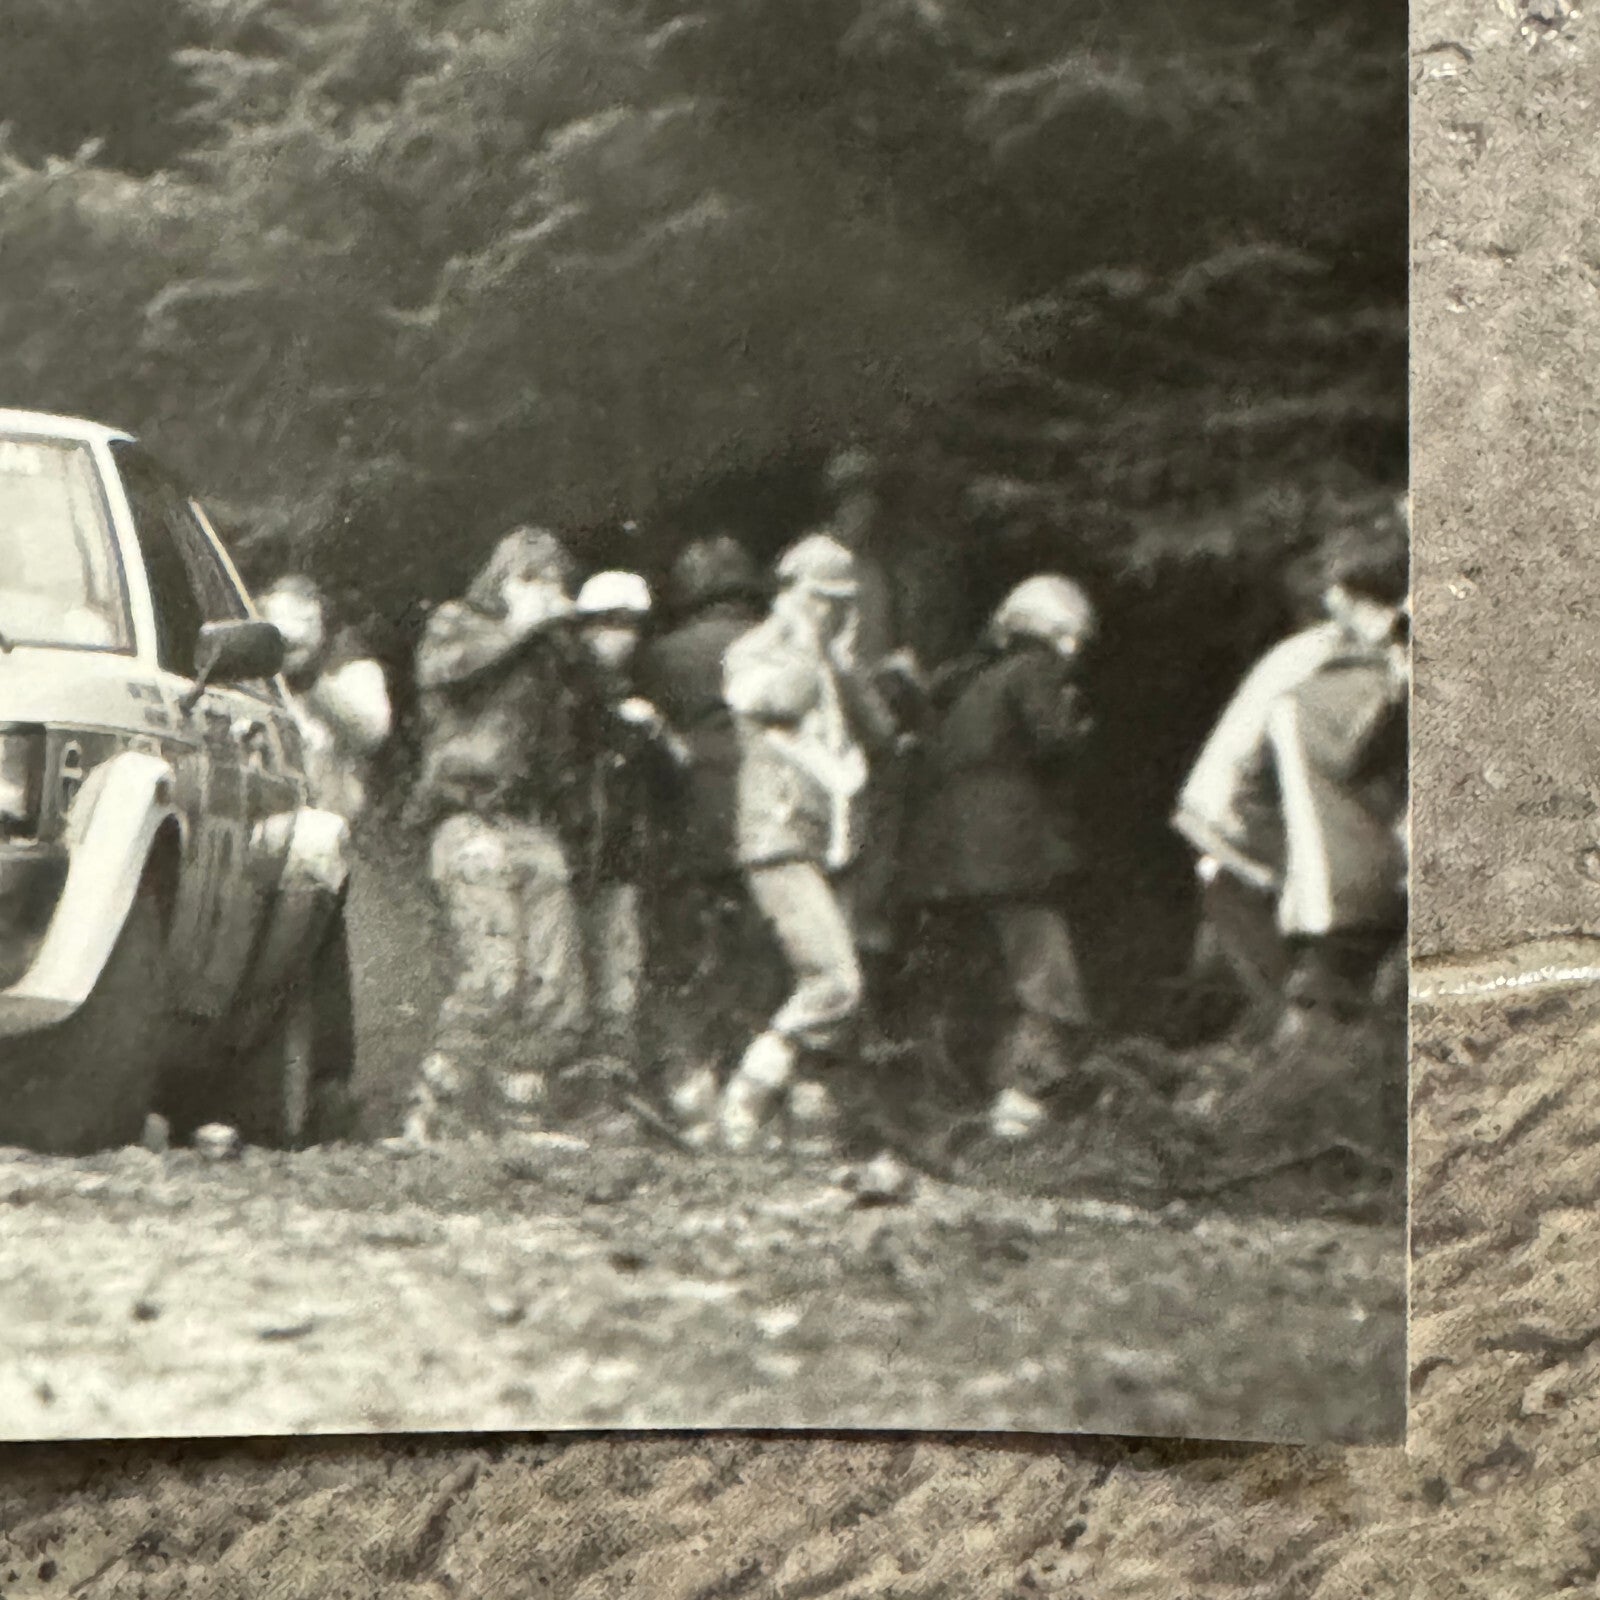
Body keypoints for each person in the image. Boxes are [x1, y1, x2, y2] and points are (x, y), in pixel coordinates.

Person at [394, 527, 589, 1146]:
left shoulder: (548, 654)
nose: (546, 593)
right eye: (531, 579)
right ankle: (431, 1111)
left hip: (533, 824)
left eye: (555, 582)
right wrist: (527, 625)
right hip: (467, 817)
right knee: (494, 973)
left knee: (553, 984)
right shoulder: (458, 625)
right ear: (503, 579)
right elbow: (452, 673)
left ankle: (521, 1119)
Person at [711, 532, 898, 1153]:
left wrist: (845, 666)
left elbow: (881, 732)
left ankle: (801, 1117)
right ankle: (747, 1094)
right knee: (835, 982)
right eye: (819, 599)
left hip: (835, 839)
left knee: (828, 986)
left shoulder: (832, 660)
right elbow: (779, 701)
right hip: (779, 836)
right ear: (788, 592)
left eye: (841, 602)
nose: (831, 612)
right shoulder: (752, 651)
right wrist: (807, 646)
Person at [1172, 541, 1409, 1030]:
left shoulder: (1361, 659)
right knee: (1307, 1017)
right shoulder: (1306, 664)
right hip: (1248, 860)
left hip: (1293, 859)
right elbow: (1214, 799)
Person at [899, 574, 1099, 1142]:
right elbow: (1053, 740)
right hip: (1011, 851)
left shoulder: (965, 683)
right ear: (1060, 631)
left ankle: (954, 1103)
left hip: (948, 856)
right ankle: (1022, 1105)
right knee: (1048, 975)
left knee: (980, 977)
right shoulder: (1034, 671)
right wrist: (1080, 726)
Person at [633, 536, 773, 1117]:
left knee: (687, 949)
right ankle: (756, 1076)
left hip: (694, 815)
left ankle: (689, 1078)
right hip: (768, 813)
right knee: (761, 950)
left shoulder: (665, 654)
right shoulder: (775, 644)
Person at [565, 569, 687, 1083]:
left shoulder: (637, 698)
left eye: (631, 626)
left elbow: (675, 774)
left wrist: (655, 733)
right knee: (567, 974)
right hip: (572, 853)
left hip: (618, 856)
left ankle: (611, 1079)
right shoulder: (564, 691)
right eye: (611, 624)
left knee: (619, 970)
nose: (621, 638)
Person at [257, 575, 392, 828]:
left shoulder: (355, 672)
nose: (289, 653)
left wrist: (316, 686)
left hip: (329, 822)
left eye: (294, 645)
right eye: (282, 644)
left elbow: (371, 731)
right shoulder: (255, 682)